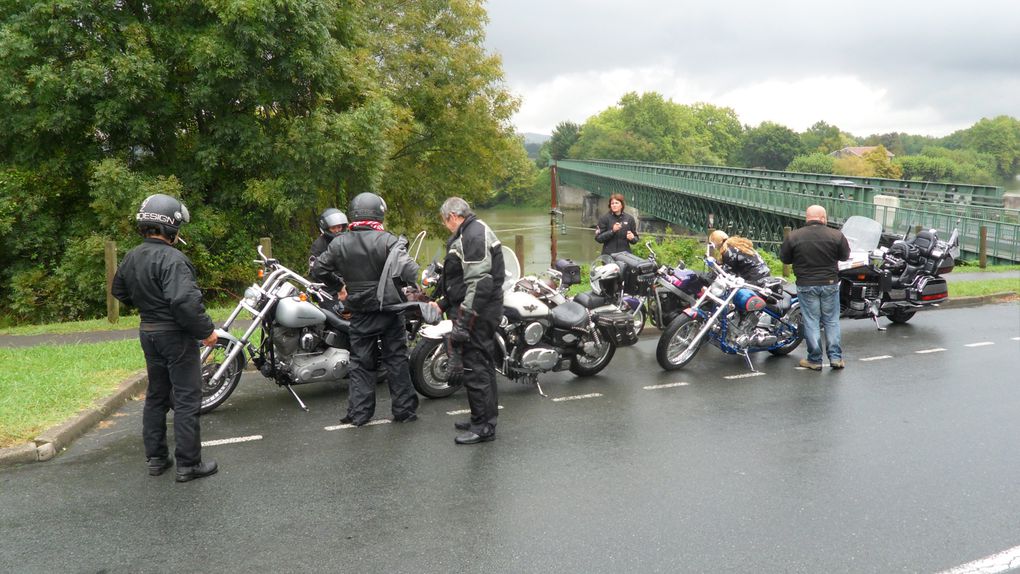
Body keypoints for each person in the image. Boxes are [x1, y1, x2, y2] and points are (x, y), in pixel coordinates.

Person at [111, 194, 219, 482]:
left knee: (157, 395)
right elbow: (184, 301)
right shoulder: (174, 258)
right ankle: (188, 464)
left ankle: (157, 458)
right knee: (186, 398)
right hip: (175, 336)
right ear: (171, 226)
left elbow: (119, 291)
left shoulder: (133, 255)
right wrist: (207, 331)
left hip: (148, 332)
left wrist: (149, 304)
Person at [311, 192, 419, 426]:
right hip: (390, 309)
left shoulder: (340, 242)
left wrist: (339, 285)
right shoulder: (389, 240)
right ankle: (404, 411)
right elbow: (410, 272)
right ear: (378, 213)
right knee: (396, 359)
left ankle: (360, 414)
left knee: (360, 362)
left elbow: (317, 271)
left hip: (360, 310)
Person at [429, 197, 504, 445]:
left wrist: (464, 322)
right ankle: (480, 417)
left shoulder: (473, 235)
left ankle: (484, 427)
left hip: (479, 311)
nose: (445, 225)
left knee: (475, 367)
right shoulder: (470, 232)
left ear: (452, 216)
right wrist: (442, 303)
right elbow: (461, 280)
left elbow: (480, 283)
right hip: (475, 308)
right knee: (481, 363)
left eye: (444, 221)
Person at [780, 205, 851, 371]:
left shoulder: (794, 236)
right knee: (831, 320)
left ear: (807, 218)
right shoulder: (836, 235)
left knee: (811, 321)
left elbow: (785, 258)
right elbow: (845, 256)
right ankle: (835, 358)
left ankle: (814, 359)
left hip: (806, 284)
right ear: (823, 218)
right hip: (829, 283)